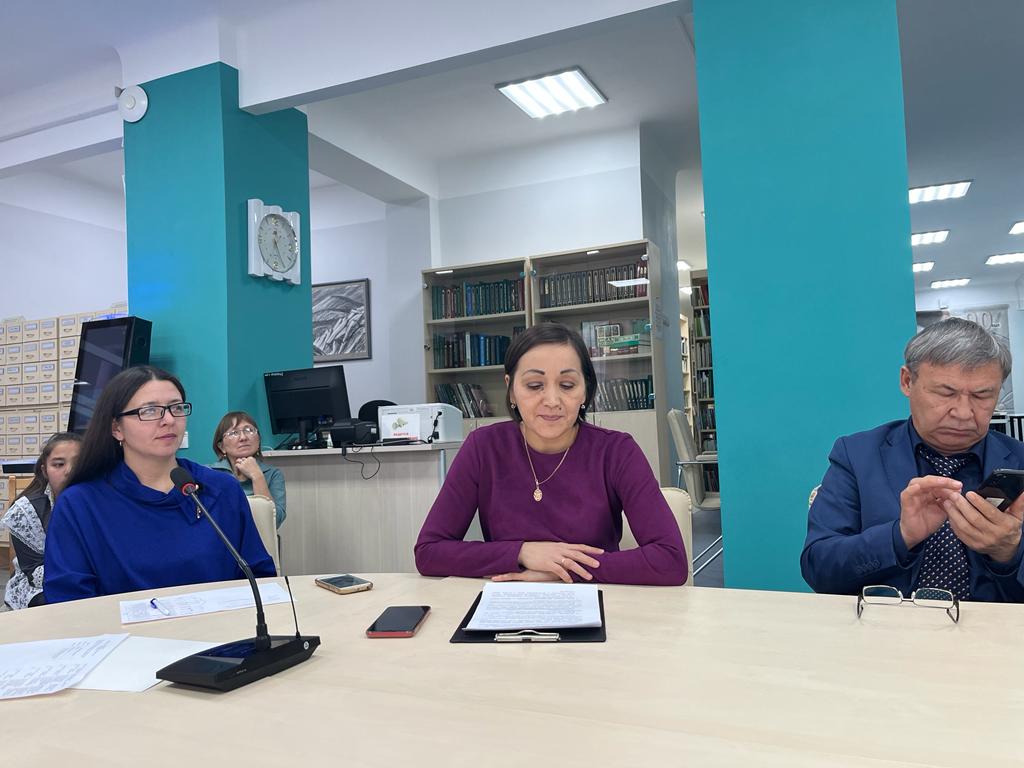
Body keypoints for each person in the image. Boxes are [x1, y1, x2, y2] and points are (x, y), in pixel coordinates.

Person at [415, 323, 687, 586]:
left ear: (585, 390)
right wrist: (522, 552)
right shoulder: (483, 447)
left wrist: (564, 570)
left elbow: (671, 560)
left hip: (598, 598)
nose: (552, 401)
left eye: (567, 385)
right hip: (509, 601)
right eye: (535, 385)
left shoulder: (617, 451)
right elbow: (429, 552)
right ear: (511, 390)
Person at [801, 317, 1024, 602]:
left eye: (982, 396)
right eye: (946, 393)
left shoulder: (1019, 462)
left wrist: (1010, 553)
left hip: (994, 627)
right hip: (883, 623)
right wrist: (900, 536)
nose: (963, 413)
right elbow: (818, 569)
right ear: (907, 381)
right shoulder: (857, 455)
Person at [43, 366, 275, 603]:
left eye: (176, 408)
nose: (169, 420)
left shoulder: (222, 489)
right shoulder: (80, 504)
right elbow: (68, 602)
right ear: (116, 428)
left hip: (224, 624)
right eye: (150, 411)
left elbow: (259, 578)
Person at [1, 432, 82, 609]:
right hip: (38, 586)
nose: (69, 471)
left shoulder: (101, 502)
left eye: (78, 463)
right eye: (58, 464)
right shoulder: (25, 511)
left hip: (88, 581)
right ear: (45, 471)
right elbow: (34, 573)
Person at [209, 411, 287, 527]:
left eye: (249, 430)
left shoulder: (273, 474)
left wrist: (257, 476)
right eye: (234, 433)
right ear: (221, 446)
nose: (243, 437)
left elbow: (274, 523)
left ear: (258, 439)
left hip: (261, 536)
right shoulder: (209, 473)